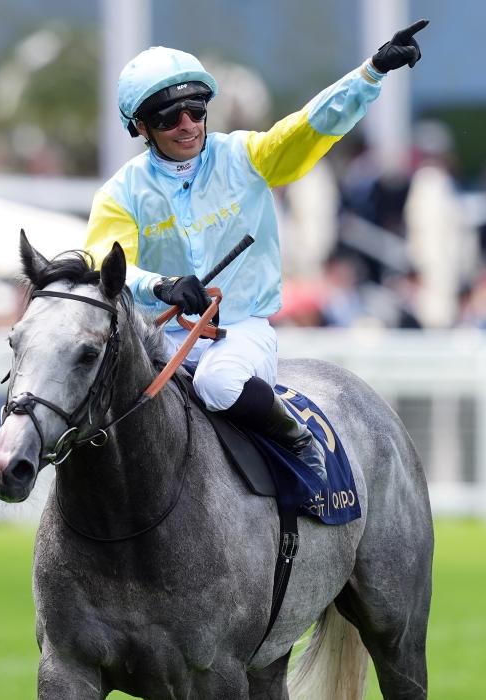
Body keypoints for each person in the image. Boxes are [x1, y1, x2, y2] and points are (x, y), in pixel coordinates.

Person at [85, 21, 429, 484]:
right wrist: (159, 286)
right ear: (141, 127)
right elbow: (103, 269)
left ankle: (300, 444)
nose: (187, 125)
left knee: (217, 383)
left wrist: (370, 74)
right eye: (169, 118)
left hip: (239, 332)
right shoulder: (120, 193)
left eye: (195, 110)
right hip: (159, 339)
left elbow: (310, 126)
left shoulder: (245, 156)